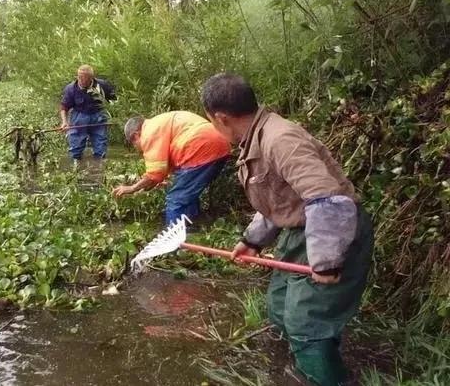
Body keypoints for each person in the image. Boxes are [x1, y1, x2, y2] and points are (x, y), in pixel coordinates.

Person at [200, 73, 374, 385]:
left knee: (306, 322)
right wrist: (252, 240)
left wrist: (326, 260)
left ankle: (328, 377)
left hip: (332, 232)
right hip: (301, 231)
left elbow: (328, 199)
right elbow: (279, 198)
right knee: (279, 308)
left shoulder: (280, 140)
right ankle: (302, 364)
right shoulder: (256, 137)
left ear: (221, 118)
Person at [112, 111, 231, 225]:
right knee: (187, 195)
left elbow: (154, 174)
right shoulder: (158, 123)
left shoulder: (149, 133)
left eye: (133, 144)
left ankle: (176, 239)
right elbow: (162, 170)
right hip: (220, 144)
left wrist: (132, 188)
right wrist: (154, 182)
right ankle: (193, 230)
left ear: (136, 135)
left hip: (201, 148)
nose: (136, 148)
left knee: (175, 199)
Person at [60, 64, 116, 160]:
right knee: (75, 148)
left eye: (84, 78)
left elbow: (114, 101)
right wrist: (64, 122)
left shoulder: (102, 85)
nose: (81, 80)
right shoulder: (70, 89)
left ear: (91, 78)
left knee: (101, 148)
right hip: (79, 118)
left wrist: (114, 117)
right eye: (79, 77)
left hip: (98, 117)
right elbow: (64, 107)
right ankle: (75, 167)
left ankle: (99, 168)